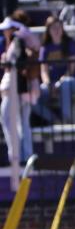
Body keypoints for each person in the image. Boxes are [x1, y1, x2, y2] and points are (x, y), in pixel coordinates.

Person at [0, 12, 39, 164]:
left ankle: (16, 155)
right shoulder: (23, 40)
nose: (5, 31)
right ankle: (26, 155)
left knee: (7, 118)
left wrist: (8, 64)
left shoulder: (18, 40)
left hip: (15, 87)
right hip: (23, 88)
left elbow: (19, 63)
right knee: (22, 123)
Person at [36, 16, 75, 125]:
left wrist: (59, 82)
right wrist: (48, 84)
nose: (56, 31)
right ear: (48, 31)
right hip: (52, 84)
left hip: (71, 82)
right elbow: (44, 70)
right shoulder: (45, 48)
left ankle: (67, 121)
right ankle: (55, 120)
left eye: (59, 27)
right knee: (34, 97)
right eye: (53, 28)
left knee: (65, 84)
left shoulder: (70, 44)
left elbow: (71, 69)